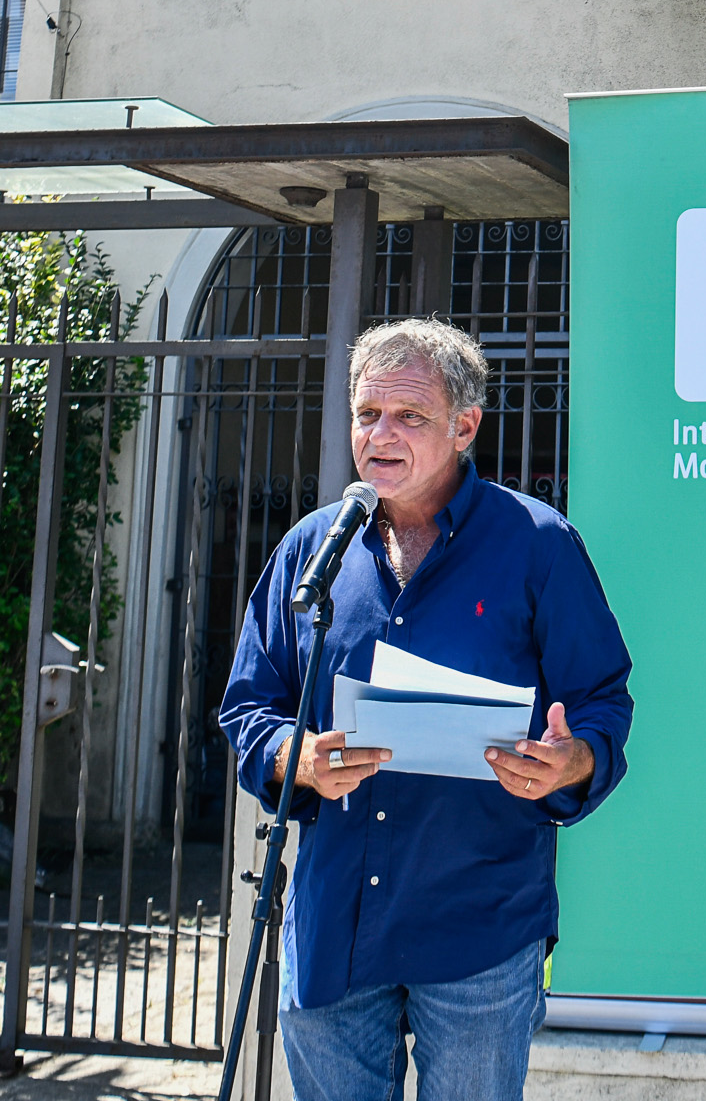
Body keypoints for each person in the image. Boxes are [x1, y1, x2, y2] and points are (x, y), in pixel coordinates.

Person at [219, 319, 634, 1101]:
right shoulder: (312, 551)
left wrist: (570, 760)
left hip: (479, 925)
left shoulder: (539, 547)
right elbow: (248, 708)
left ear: (464, 426)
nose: (381, 434)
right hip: (335, 924)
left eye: (408, 416)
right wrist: (293, 756)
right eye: (367, 413)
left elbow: (603, 701)